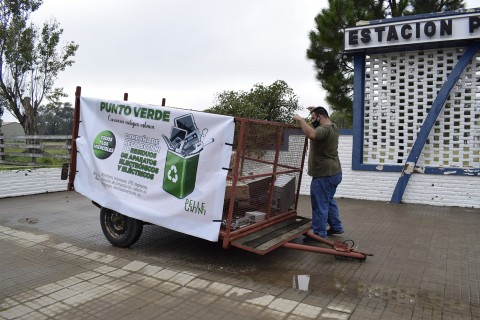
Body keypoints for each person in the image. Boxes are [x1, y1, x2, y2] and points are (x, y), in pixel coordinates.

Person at [293, 107, 344, 240]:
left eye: (313, 117)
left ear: (320, 117)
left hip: (324, 174)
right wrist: (315, 109)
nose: (312, 120)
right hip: (335, 173)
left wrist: (301, 120)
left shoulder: (324, 129)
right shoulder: (333, 126)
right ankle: (336, 227)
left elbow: (312, 134)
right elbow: (322, 117)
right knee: (328, 201)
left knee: (320, 204)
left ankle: (319, 234)